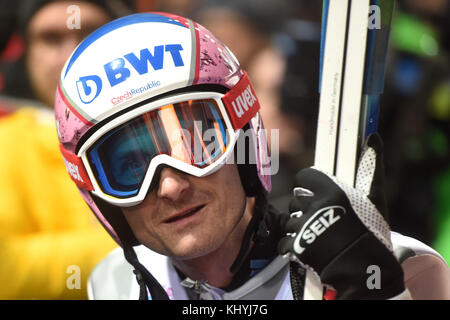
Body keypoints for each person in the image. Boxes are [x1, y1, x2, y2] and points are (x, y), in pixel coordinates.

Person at [55, 12, 450, 300]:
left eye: (197, 141)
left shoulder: (397, 265)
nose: (172, 184)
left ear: (246, 134)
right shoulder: (113, 283)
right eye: (129, 167)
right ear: (97, 195)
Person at [0, 0, 131, 299]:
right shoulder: (4, 144)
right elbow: (4, 269)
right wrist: (145, 241)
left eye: (91, 34)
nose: (72, 54)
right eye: (50, 38)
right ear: (27, 54)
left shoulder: (173, 126)